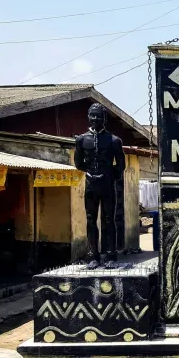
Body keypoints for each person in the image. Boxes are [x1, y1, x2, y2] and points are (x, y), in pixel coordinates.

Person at [74, 103, 125, 269]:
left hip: (107, 184)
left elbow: (121, 165)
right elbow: (78, 163)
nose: (95, 119)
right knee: (90, 219)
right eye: (92, 115)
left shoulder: (114, 141)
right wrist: (91, 173)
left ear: (104, 119)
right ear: (89, 117)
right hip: (91, 184)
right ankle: (93, 256)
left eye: (98, 116)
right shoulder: (81, 140)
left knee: (109, 220)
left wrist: (110, 175)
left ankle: (111, 255)